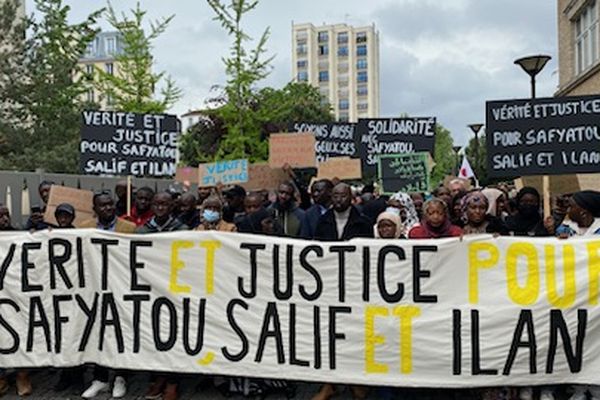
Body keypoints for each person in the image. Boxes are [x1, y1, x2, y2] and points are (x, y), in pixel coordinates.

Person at [312, 183, 371, 400]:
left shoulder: (363, 222)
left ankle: (356, 381)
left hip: (354, 286)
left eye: (343, 195)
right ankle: (330, 383)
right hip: (328, 286)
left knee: (354, 334)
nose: (338, 199)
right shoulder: (323, 221)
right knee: (329, 335)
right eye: (335, 195)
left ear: (351, 197)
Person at [80, 192, 136, 399]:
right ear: (95, 209)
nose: (108, 209)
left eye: (110, 204)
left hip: (120, 287)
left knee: (120, 333)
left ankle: (121, 377)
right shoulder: (84, 228)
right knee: (98, 333)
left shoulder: (129, 228)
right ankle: (100, 379)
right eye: (102, 206)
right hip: (94, 288)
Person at [138, 192, 187, 400]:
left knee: (174, 337)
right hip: (151, 289)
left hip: (175, 290)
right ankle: (156, 378)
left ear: (171, 206)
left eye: (164, 204)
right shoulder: (142, 231)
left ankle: (173, 381)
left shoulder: (183, 230)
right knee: (153, 336)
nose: (160, 207)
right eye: (156, 203)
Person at [554, 191, 600, 400]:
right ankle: (579, 386)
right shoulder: (565, 229)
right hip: (572, 294)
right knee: (575, 339)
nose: (567, 209)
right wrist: (556, 242)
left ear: (582, 210)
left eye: (571, 206)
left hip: (596, 295)